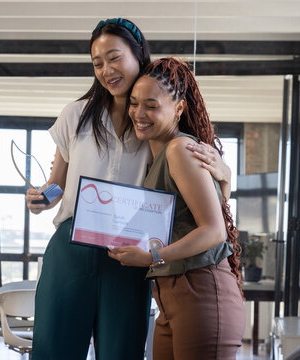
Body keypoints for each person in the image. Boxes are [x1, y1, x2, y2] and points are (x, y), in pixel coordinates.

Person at [26, 19, 232, 360]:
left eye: (114, 57)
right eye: (97, 63)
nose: (107, 70)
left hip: (129, 254)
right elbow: (56, 186)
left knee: (121, 351)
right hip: (71, 247)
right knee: (53, 350)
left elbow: (196, 192)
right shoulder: (75, 115)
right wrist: (39, 199)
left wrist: (224, 174)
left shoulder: (155, 124)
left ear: (139, 55)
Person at [108, 57, 245, 360]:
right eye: (133, 103)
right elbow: (204, 212)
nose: (139, 114)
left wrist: (150, 257)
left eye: (151, 106)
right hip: (171, 298)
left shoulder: (178, 149)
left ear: (179, 108)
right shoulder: (157, 156)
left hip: (201, 292)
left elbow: (213, 230)